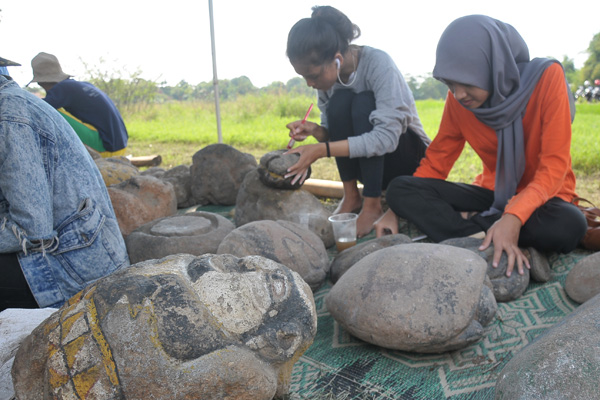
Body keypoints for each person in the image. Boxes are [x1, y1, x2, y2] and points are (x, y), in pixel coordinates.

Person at [375, 15, 588, 277]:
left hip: (546, 199)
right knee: (400, 189)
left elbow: (554, 167)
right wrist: (395, 209)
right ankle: (485, 234)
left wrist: (514, 216)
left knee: (570, 226)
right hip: (494, 194)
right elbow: (438, 160)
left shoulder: (547, 79)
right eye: (450, 84)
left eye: (466, 82)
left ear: (493, 66)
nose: (459, 94)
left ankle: (472, 230)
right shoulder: (458, 102)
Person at [284, 6, 430, 237]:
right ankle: (351, 196)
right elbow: (336, 137)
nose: (309, 84)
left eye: (312, 76)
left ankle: (372, 205)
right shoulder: (328, 82)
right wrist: (315, 131)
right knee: (340, 102)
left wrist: (322, 150)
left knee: (363, 102)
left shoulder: (378, 64)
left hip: (410, 160)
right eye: (304, 77)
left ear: (337, 60)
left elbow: (385, 139)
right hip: (371, 167)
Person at [0, 65, 130, 311]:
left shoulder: (11, 113)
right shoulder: (24, 100)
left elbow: (32, 231)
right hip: (117, 142)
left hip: (74, 269)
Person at [28, 52, 129, 157]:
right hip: (120, 145)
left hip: (106, 146)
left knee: (45, 109)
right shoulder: (80, 85)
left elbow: (37, 107)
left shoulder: (62, 88)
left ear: (41, 82)